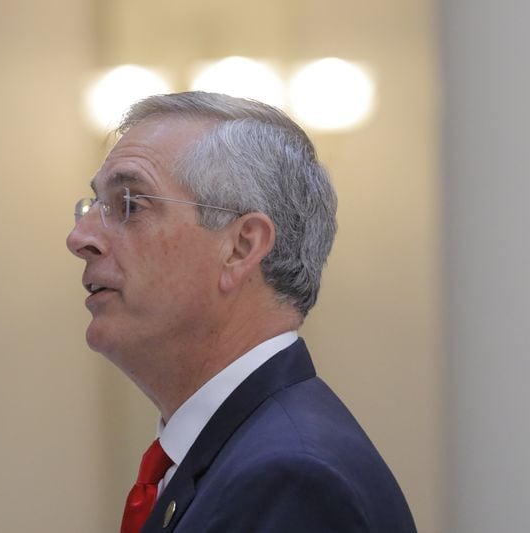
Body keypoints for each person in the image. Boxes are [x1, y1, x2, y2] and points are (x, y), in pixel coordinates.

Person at [66, 92, 416, 533]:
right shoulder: (238, 453)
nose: (80, 237)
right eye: (92, 206)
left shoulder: (292, 479)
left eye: (130, 204)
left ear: (241, 247)